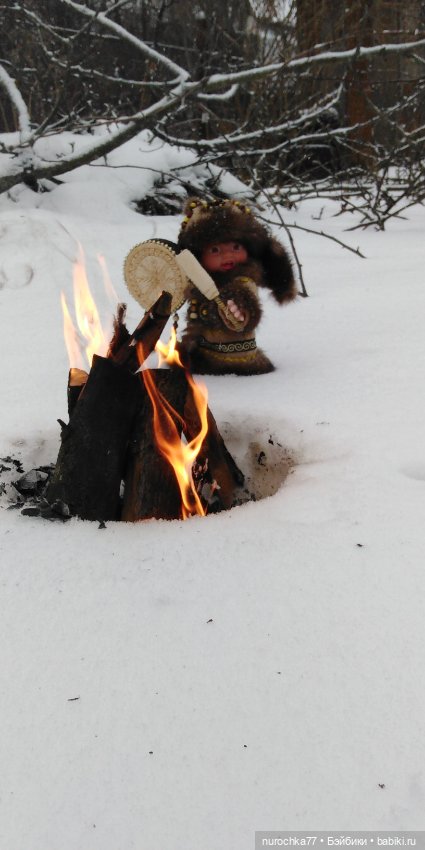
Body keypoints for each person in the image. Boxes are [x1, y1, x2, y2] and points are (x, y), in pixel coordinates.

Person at [177, 197, 297, 375]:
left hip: (237, 360)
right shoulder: (197, 279)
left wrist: (239, 309)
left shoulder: (243, 278)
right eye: (215, 250)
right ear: (198, 256)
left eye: (235, 247)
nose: (227, 256)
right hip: (202, 356)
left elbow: (245, 297)